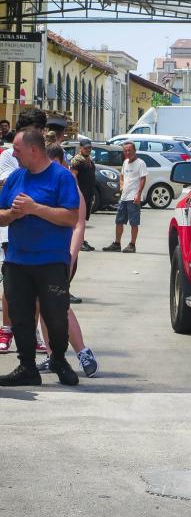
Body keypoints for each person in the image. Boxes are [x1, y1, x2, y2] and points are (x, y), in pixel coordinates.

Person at [0, 128, 80, 386]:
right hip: (17, 260)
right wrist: (13, 214)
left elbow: (70, 217)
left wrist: (35, 209)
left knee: (56, 316)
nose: (13, 153)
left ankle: (58, 359)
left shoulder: (61, 177)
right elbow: (0, 214)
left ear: (33, 150)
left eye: (17, 149)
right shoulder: (15, 178)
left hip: (51, 260)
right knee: (20, 316)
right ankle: (27, 367)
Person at [37, 144, 98, 377]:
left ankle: (83, 353)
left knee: (59, 306)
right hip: (41, 255)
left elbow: (78, 225)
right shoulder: (41, 182)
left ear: (61, 162)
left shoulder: (69, 185)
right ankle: (52, 356)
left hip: (62, 257)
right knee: (41, 305)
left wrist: (70, 258)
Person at [0, 109, 49, 356]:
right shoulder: (10, 156)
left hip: (40, 233)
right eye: (37, 130)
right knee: (12, 288)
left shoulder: (44, 157)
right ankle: (6, 328)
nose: (41, 134)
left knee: (38, 289)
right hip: (12, 232)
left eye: (42, 130)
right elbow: (9, 189)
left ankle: (32, 333)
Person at [103, 141, 147, 254]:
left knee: (134, 222)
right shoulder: (125, 162)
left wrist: (138, 193)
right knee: (119, 221)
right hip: (124, 197)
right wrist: (122, 186)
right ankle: (117, 244)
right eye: (125, 151)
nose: (127, 153)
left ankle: (132, 245)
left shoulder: (140, 163)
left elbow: (143, 179)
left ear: (134, 151)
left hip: (134, 198)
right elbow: (122, 175)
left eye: (129, 150)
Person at [70, 139, 95, 252]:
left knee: (83, 219)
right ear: (80, 148)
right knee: (79, 220)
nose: (88, 150)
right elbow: (73, 177)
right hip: (81, 194)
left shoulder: (88, 159)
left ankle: (82, 240)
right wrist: (77, 192)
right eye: (86, 148)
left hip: (88, 194)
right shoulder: (77, 160)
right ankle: (78, 242)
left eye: (89, 148)